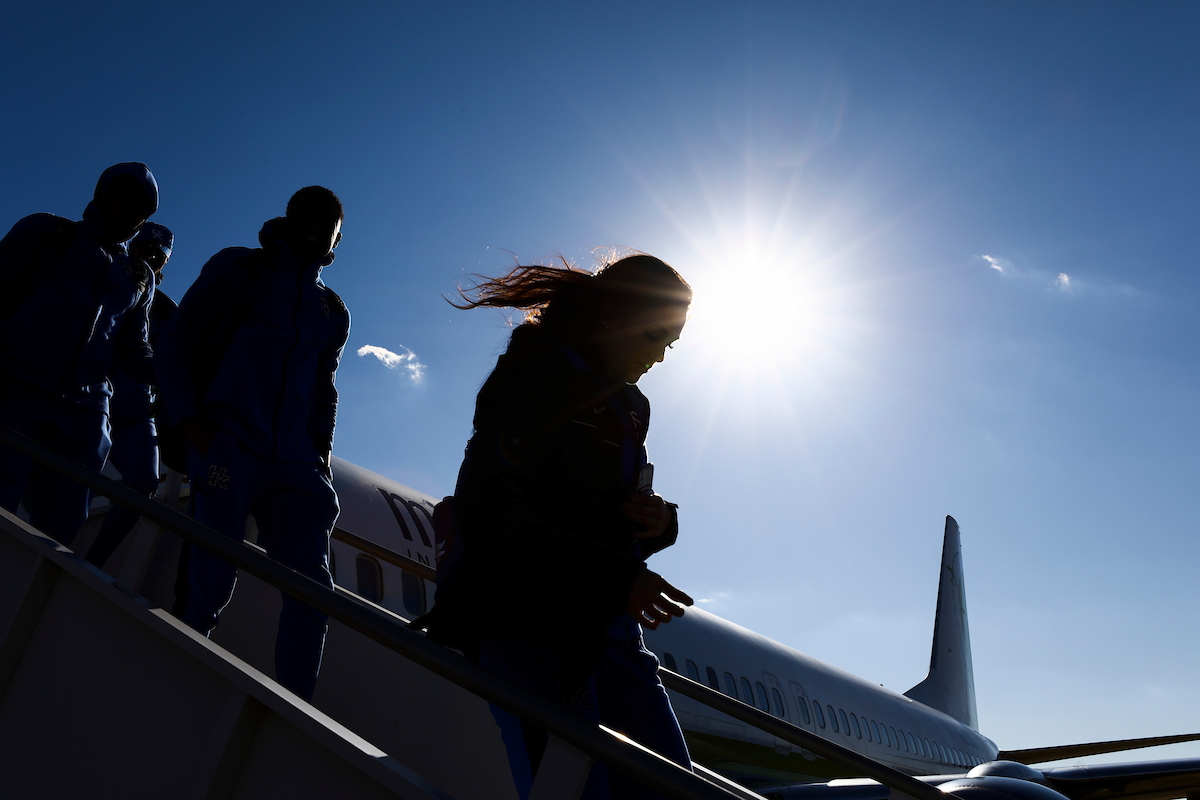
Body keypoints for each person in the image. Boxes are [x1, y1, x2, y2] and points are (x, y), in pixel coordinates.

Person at [425, 253, 695, 799]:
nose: (661, 357)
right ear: (610, 317)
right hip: (530, 620)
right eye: (654, 336)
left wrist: (659, 521)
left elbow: (601, 509)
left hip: (608, 628)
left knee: (674, 788)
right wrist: (616, 579)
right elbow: (490, 511)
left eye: (671, 344)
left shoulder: (630, 405)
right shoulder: (534, 380)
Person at [153, 186, 350, 702]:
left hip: (296, 463)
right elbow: (178, 341)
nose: (315, 224)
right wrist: (190, 422)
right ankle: (179, 680)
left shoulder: (330, 309)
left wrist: (320, 456)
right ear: (288, 218)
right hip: (230, 444)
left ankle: (295, 709)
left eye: (327, 218)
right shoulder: (240, 269)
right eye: (306, 213)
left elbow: (322, 387)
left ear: (338, 234)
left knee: (312, 592)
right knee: (210, 579)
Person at [0, 162, 158, 544]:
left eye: (138, 208)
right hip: (17, 387)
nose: (126, 211)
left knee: (60, 531)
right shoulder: (46, 232)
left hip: (87, 415)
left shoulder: (139, 276)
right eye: (119, 199)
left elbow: (133, 347)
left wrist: (178, 371)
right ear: (101, 196)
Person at [85, 222, 178, 568]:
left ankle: (92, 562)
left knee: (143, 481)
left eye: (159, 255)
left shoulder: (169, 312)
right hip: (89, 396)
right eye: (145, 248)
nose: (150, 257)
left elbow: (178, 362)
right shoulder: (105, 275)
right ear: (133, 244)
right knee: (74, 473)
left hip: (136, 411)